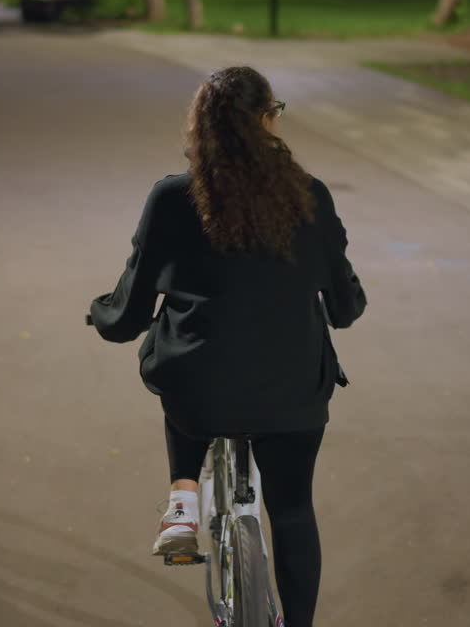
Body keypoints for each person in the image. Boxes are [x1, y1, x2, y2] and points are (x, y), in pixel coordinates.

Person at [87, 66, 366, 627]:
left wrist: (104, 315)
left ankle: (182, 501)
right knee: (290, 509)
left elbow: (134, 306)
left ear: (203, 129)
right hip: (291, 392)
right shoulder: (309, 197)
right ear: (267, 120)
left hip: (202, 391)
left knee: (182, 366)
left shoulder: (172, 198)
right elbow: (345, 304)